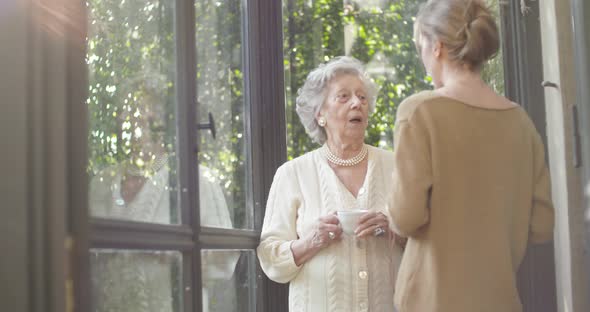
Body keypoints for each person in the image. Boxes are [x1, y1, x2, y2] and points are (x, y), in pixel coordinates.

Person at [389, 1, 555, 311]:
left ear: (436, 46)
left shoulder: (419, 112)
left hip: (433, 302)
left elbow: (405, 218)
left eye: (419, 45)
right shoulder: (521, 122)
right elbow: (542, 226)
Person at [257, 56, 404, 312]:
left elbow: (430, 243)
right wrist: (312, 240)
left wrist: (393, 230)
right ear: (320, 113)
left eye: (362, 97)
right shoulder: (292, 174)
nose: (357, 103)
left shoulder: (397, 167)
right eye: (344, 97)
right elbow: (270, 258)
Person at [89, 81, 238, 312]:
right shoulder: (101, 183)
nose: (134, 124)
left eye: (144, 115)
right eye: (127, 115)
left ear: (164, 124)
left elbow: (225, 260)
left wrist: (176, 256)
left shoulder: (196, 180)